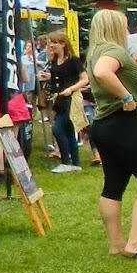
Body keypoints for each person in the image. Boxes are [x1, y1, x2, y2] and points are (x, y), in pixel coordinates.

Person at [85, 9, 137, 261]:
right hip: (126, 124)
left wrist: (135, 68)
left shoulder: (94, 52)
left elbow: (101, 72)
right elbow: (103, 72)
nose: (127, 30)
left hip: (103, 125)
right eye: (124, 25)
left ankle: (116, 243)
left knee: (114, 183)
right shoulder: (114, 50)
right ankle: (136, 242)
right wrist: (127, 97)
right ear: (114, 27)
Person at [42, 33, 87, 173]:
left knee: (58, 129)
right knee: (68, 131)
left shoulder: (74, 61)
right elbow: (58, 78)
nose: (52, 45)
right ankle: (75, 163)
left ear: (63, 44)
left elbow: (85, 79)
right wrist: (48, 77)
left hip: (71, 99)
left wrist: (71, 89)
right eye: (51, 42)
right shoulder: (54, 61)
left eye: (55, 42)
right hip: (59, 99)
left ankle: (66, 162)